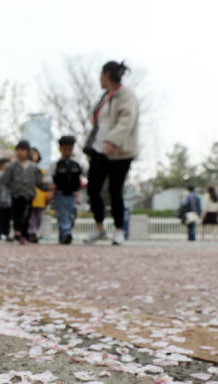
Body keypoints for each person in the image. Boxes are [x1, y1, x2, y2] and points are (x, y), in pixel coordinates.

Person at [83, 61, 140, 246]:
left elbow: (127, 119)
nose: (99, 79)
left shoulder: (125, 94)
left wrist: (113, 140)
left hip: (119, 151)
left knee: (115, 191)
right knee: (93, 189)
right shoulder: (105, 97)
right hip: (99, 150)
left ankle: (119, 231)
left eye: (100, 75)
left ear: (107, 74)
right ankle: (99, 228)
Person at [1, 140, 51, 244]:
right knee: (17, 214)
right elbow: (5, 180)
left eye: (22, 150)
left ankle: (24, 235)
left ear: (28, 152)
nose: (20, 152)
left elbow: (39, 182)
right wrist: (12, 189)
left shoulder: (34, 167)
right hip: (16, 195)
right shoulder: (12, 166)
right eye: (18, 150)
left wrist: (49, 187)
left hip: (29, 195)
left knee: (27, 215)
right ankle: (17, 231)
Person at [51, 136, 83, 244]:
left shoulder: (77, 165)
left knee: (71, 215)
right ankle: (66, 233)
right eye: (65, 149)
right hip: (59, 194)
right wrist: (50, 185)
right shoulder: (56, 165)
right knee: (62, 214)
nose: (67, 152)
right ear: (60, 149)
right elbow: (49, 177)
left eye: (69, 149)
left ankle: (64, 235)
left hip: (73, 195)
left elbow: (83, 178)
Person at [28, 148, 52, 242]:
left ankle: (34, 232)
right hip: (29, 198)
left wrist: (47, 197)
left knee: (39, 217)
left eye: (34, 154)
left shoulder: (42, 171)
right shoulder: (25, 170)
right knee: (31, 217)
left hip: (40, 198)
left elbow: (45, 184)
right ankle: (32, 232)